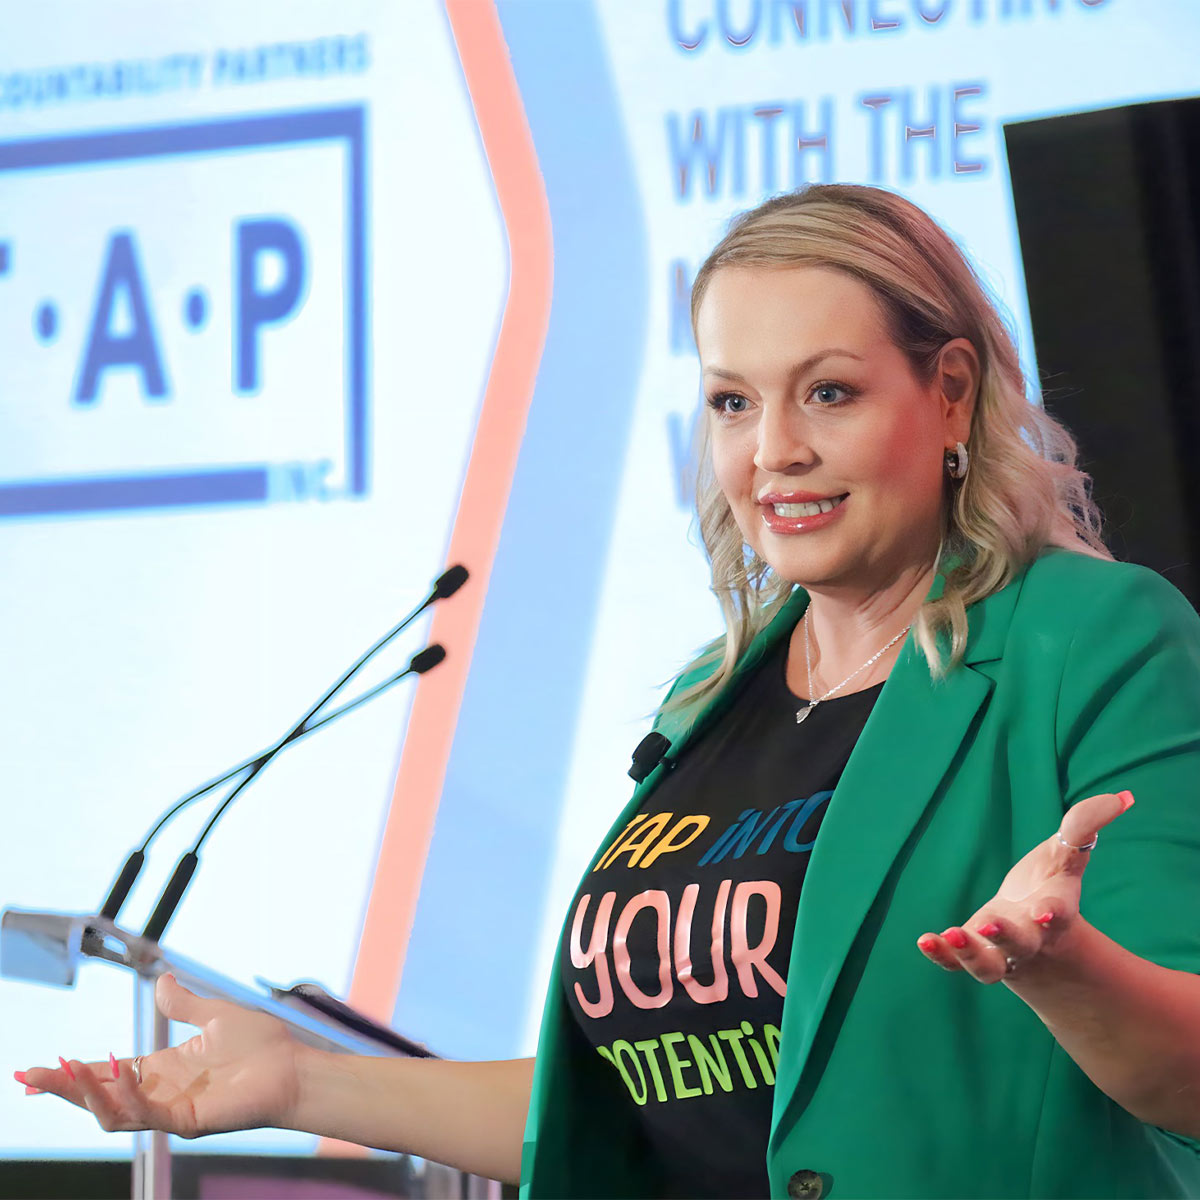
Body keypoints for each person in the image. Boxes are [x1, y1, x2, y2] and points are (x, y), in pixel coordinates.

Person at [15, 184, 1200, 1199]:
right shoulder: (710, 698)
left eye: (828, 393)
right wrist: (301, 1083)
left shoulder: (1087, 640)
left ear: (948, 393)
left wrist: (1064, 967)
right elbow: (642, 1100)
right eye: (734, 400)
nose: (770, 450)